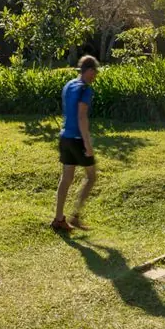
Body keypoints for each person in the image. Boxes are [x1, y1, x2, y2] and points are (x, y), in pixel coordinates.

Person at [53, 55, 99, 232]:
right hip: (77, 139)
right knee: (92, 176)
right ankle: (75, 216)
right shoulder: (85, 90)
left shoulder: (69, 85)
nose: (94, 77)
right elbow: (81, 117)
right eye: (94, 73)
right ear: (89, 70)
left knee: (66, 178)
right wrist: (87, 144)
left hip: (65, 137)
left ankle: (59, 219)